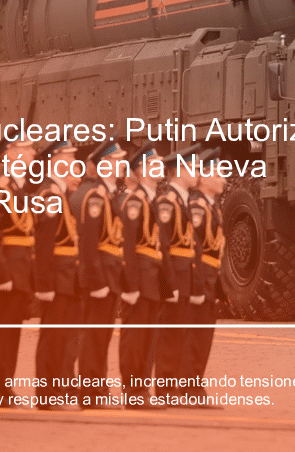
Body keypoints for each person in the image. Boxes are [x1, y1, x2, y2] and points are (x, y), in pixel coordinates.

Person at [0, 134, 36, 407]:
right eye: (26, 149)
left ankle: (5, 387)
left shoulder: (16, 186)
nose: (32, 153)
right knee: (2, 330)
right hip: (7, 270)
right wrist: (0, 274)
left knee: (11, 331)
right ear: (10, 153)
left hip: (20, 267)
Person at [117, 146, 169, 409]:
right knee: (135, 336)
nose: (162, 166)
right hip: (139, 278)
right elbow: (127, 246)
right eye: (157, 162)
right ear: (143, 169)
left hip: (153, 277)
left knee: (149, 337)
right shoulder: (135, 201)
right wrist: (130, 285)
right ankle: (132, 392)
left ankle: (142, 390)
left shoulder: (152, 199)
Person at [75, 140, 125, 408]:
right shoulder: (96, 196)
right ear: (106, 165)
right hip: (100, 278)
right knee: (94, 336)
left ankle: (98, 389)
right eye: (117, 161)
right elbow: (89, 244)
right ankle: (90, 393)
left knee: (101, 336)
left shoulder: (107, 194)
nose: (122, 166)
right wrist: (95, 281)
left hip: (109, 275)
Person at [33, 140, 82, 410]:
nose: (74, 162)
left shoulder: (61, 194)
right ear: (55, 160)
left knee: (65, 335)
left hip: (68, 275)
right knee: (53, 335)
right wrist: (44, 283)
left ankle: (59, 388)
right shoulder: (49, 194)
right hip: (56, 276)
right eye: (69, 157)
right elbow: (43, 242)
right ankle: (47, 394)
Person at [152, 146, 200, 403]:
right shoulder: (168, 202)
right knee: (169, 333)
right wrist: (168, 283)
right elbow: (164, 246)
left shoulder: (182, 200)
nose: (198, 174)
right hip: (175, 275)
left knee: (180, 331)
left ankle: (174, 387)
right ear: (179, 171)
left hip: (185, 273)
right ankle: (165, 388)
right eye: (193, 168)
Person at [187, 149, 226, 395]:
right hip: (200, 278)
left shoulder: (211, 207)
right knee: (193, 337)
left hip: (210, 278)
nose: (224, 179)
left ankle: (193, 386)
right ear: (203, 178)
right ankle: (187, 387)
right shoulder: (197, 207)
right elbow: (194, 249)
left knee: (203, 338)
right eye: (219, 174)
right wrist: (197, 285)